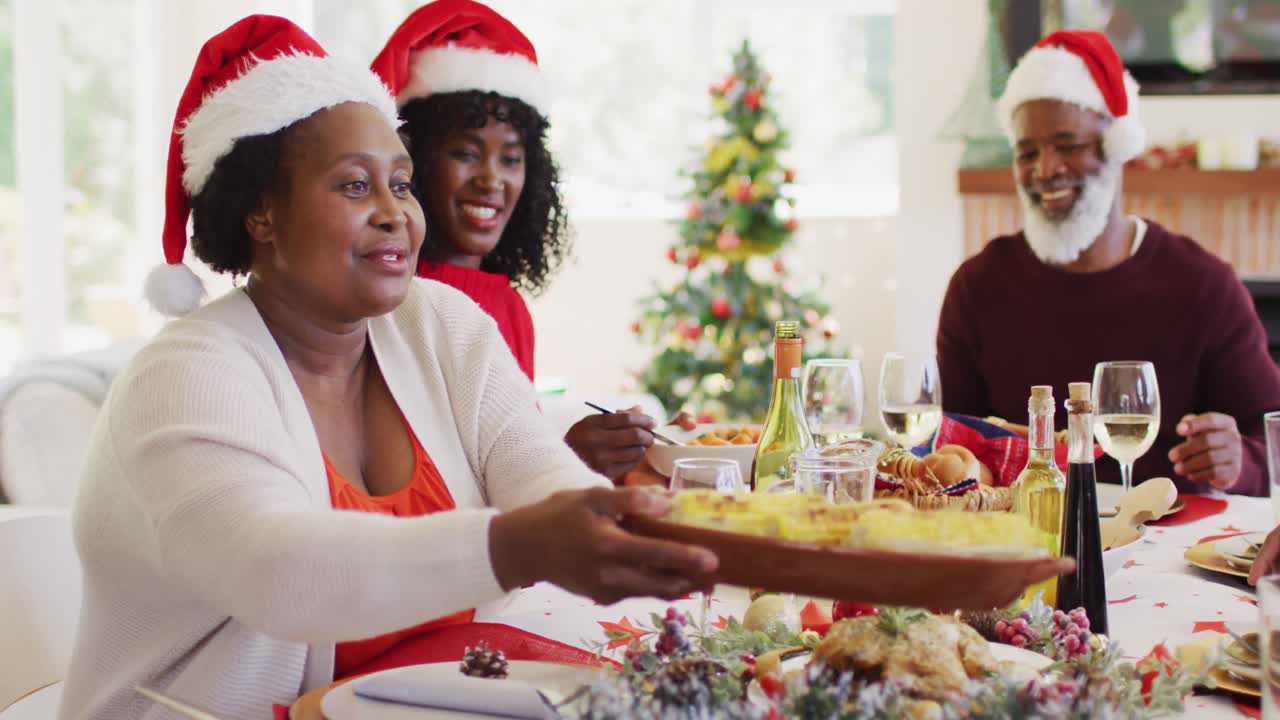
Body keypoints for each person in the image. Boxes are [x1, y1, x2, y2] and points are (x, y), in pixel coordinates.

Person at [58, 17, 715, 720]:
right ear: (261, 214)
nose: (393, 213)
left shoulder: (441, 323)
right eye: (352, 187)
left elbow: (527, 465)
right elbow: (279, 576)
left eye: (400, 184)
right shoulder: (186, 375)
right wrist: (519, 544)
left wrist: (593, 517)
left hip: (417, 696)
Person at [937, 30, 1280, 497]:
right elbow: (953, 449)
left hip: (1171, 554)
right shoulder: (978, 287)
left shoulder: (1203, 285)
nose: (1045, 169)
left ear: (1116, 146)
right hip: (1024, 545)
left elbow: (1272, 441)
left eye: (1068, 144)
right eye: (1028, 152)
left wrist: (1241, 460)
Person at [370, 0, 656, 481]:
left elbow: (506, 447)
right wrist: (565, 457)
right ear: (412, 163)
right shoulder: (395, 298)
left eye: (511, 158)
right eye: (465, 153)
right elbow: (426, 483)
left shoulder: (508, 306)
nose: (491, 180)